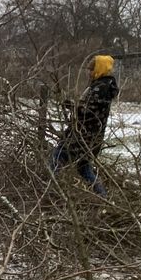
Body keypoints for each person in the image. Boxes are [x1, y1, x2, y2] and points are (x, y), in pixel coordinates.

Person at [51, 54, 119, 198]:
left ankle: (51, 190)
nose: (89, 72)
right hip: (90, 136)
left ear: (99, 69)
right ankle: (103, 197)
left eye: (91, 69)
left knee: (57, 157)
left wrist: (71, 105)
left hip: (84, 135)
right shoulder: (102, 85)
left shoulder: (101, 88)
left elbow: (88, 110)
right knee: (83, 167)